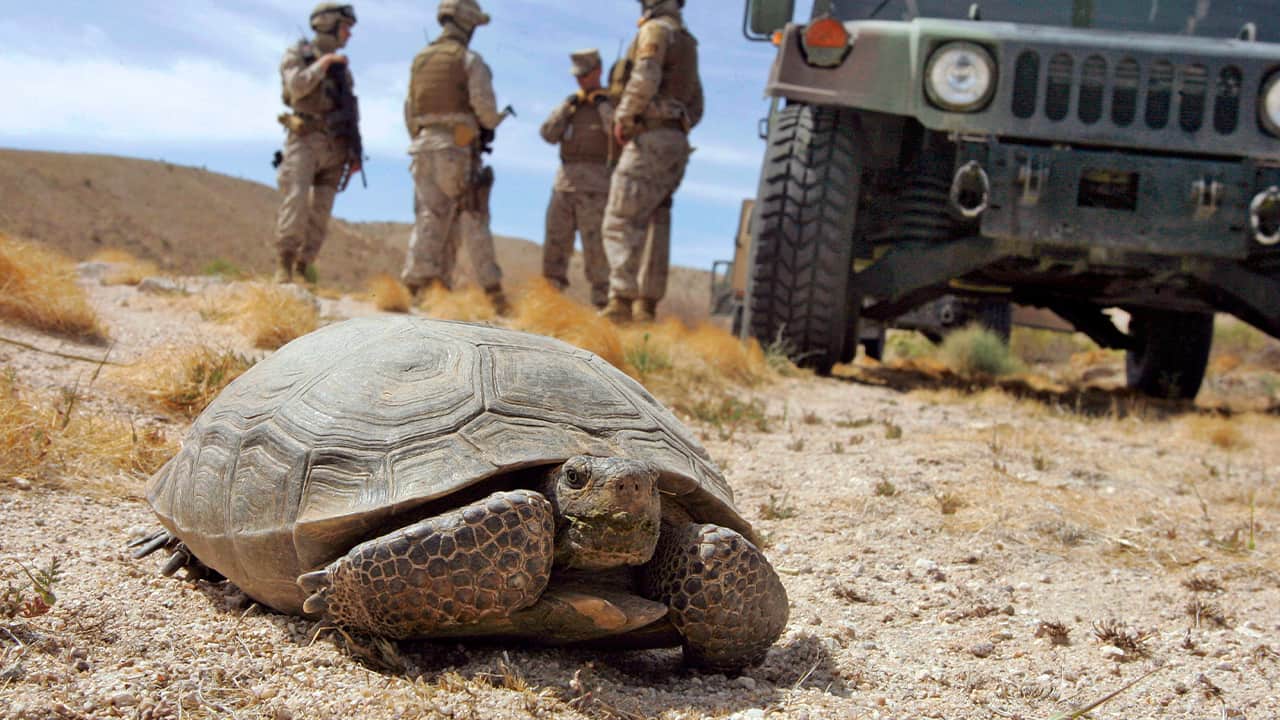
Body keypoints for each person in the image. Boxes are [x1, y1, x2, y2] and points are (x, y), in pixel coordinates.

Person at [400, 0, 509, 314]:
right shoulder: (470, 60)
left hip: (422, 146)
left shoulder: (421, 59)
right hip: (455, 149)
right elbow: (485, 111)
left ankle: (418, 285)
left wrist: (424, 137)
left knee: (429, 216)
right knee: (473, 216)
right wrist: (493, 121)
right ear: (467, 23)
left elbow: (410, 110)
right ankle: (494, 293)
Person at [599, 0, 702, 324]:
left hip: (650, 139)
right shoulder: (688, 43)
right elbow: (697, 103)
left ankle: (620, 302)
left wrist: (625, 116)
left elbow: (644, 76)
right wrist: (677, 126)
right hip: (676, 142)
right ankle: (646, 308)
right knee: (657, 222)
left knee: (620, 219)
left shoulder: (655, 31)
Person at [273, 3, 363, 284]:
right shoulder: (298, 55)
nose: (349, 35)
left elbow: (351, 111)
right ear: (328, 23)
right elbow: (297, 87)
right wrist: (323, 64)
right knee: (296, 201)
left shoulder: (343, 71)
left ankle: (303, 267)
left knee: (321, 213)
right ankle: (284, 264)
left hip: (336, 147)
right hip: (304, 138)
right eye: (346, 27)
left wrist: (355, 153)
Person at [538, 49, 614, 310]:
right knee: (555, 246)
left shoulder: (611, 103)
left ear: (598, 72)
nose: (580, 81)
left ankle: (604, 306)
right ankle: (548, 304)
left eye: (584, 75)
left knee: (597, 252)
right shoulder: (571, 105)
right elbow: (547, 133)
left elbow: (618, 135)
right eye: (577, 76)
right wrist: (567, 108)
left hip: (596, 187)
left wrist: (603, 104)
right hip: (564, 184)